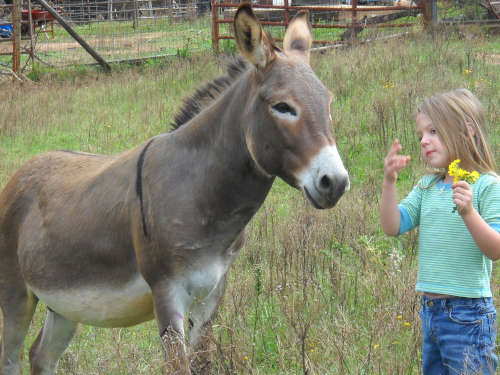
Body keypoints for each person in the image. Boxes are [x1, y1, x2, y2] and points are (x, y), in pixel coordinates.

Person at [380, 88, 500, 375]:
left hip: (469, 316)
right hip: (430, 312)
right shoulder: (427, 187)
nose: (424, 140)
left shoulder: (486, 185)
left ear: (467, 131)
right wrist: (389, 181)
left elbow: (495, 250)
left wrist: (469, 212)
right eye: (421, 134)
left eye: (433, 130)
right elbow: (392, 225)